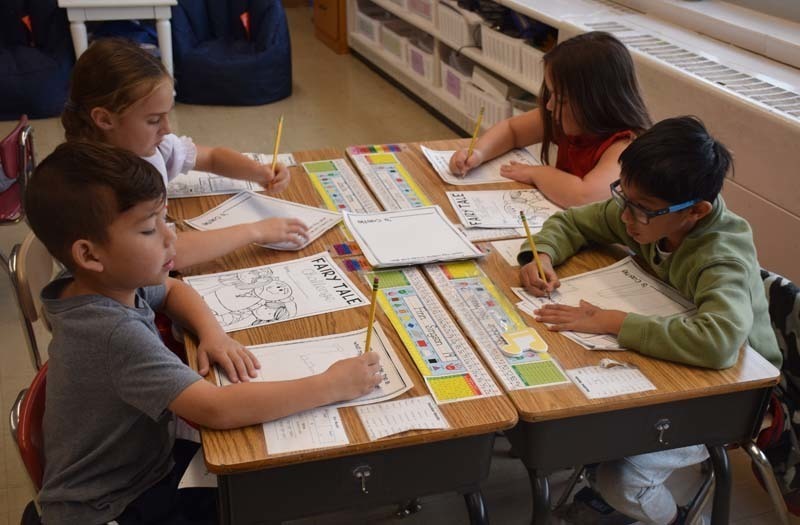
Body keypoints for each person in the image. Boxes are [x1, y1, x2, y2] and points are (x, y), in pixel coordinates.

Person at [27, 141, 382, 525]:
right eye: (148, 229)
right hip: (112, 506)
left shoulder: (98, 280)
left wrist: (213, 334)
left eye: (165, 220)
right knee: (267, 488)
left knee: (257, 481)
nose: (170, 238)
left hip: (140, 463)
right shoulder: (112, 332)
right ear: (89, 254)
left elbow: (172, 290)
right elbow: (216, 409)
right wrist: (331, 385)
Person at [519, 116, 781, 524]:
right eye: (623, 195)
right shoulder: (647, 213)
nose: (625, 216)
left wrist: (613, 321)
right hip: (670, 364)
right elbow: (575, 221)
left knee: (623, 479)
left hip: (734, 396)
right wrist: (542, 254)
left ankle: (677, 520)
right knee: (575, 417)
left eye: (640, 209)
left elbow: (718, 342)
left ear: (695, 211)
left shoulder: (721, 257)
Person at [61, 37, 308, 270]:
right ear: (105, 119)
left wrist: (258, 172)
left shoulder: (150, 146)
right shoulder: (103, 187)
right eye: (154, 120)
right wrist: (255, 231)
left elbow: (211, 157)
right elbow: (166, 253)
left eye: (167, 115)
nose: (167, 129)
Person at [450, 31, 652, 209]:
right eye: (551, 94)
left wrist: (537, 173)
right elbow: (512, 130)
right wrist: (479, 152)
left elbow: (584, 198)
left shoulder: (623, 145)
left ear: (595, 103)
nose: (549, 105)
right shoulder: (566, 117)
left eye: (561, 99)